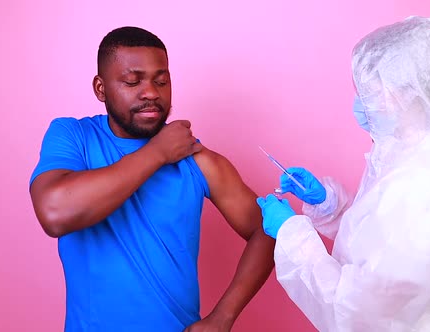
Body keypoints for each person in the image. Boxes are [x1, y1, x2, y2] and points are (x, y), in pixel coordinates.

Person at [29, 26, 275, 332]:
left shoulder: (197, 160)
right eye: (133, 82)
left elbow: (268, 229)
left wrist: (223, 317)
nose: (151, 93)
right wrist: (157, 153)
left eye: (162, 81)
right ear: (100, 88)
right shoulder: (73, 137)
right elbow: (54, 213)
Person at [257, 16, 430, 331]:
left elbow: (362, 312)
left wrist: (293, 235)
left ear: (407, 93)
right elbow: (378, 242)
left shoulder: (425, 181)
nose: (361, 103)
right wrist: (329, 205)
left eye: (370, 90)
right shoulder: (405, 157)